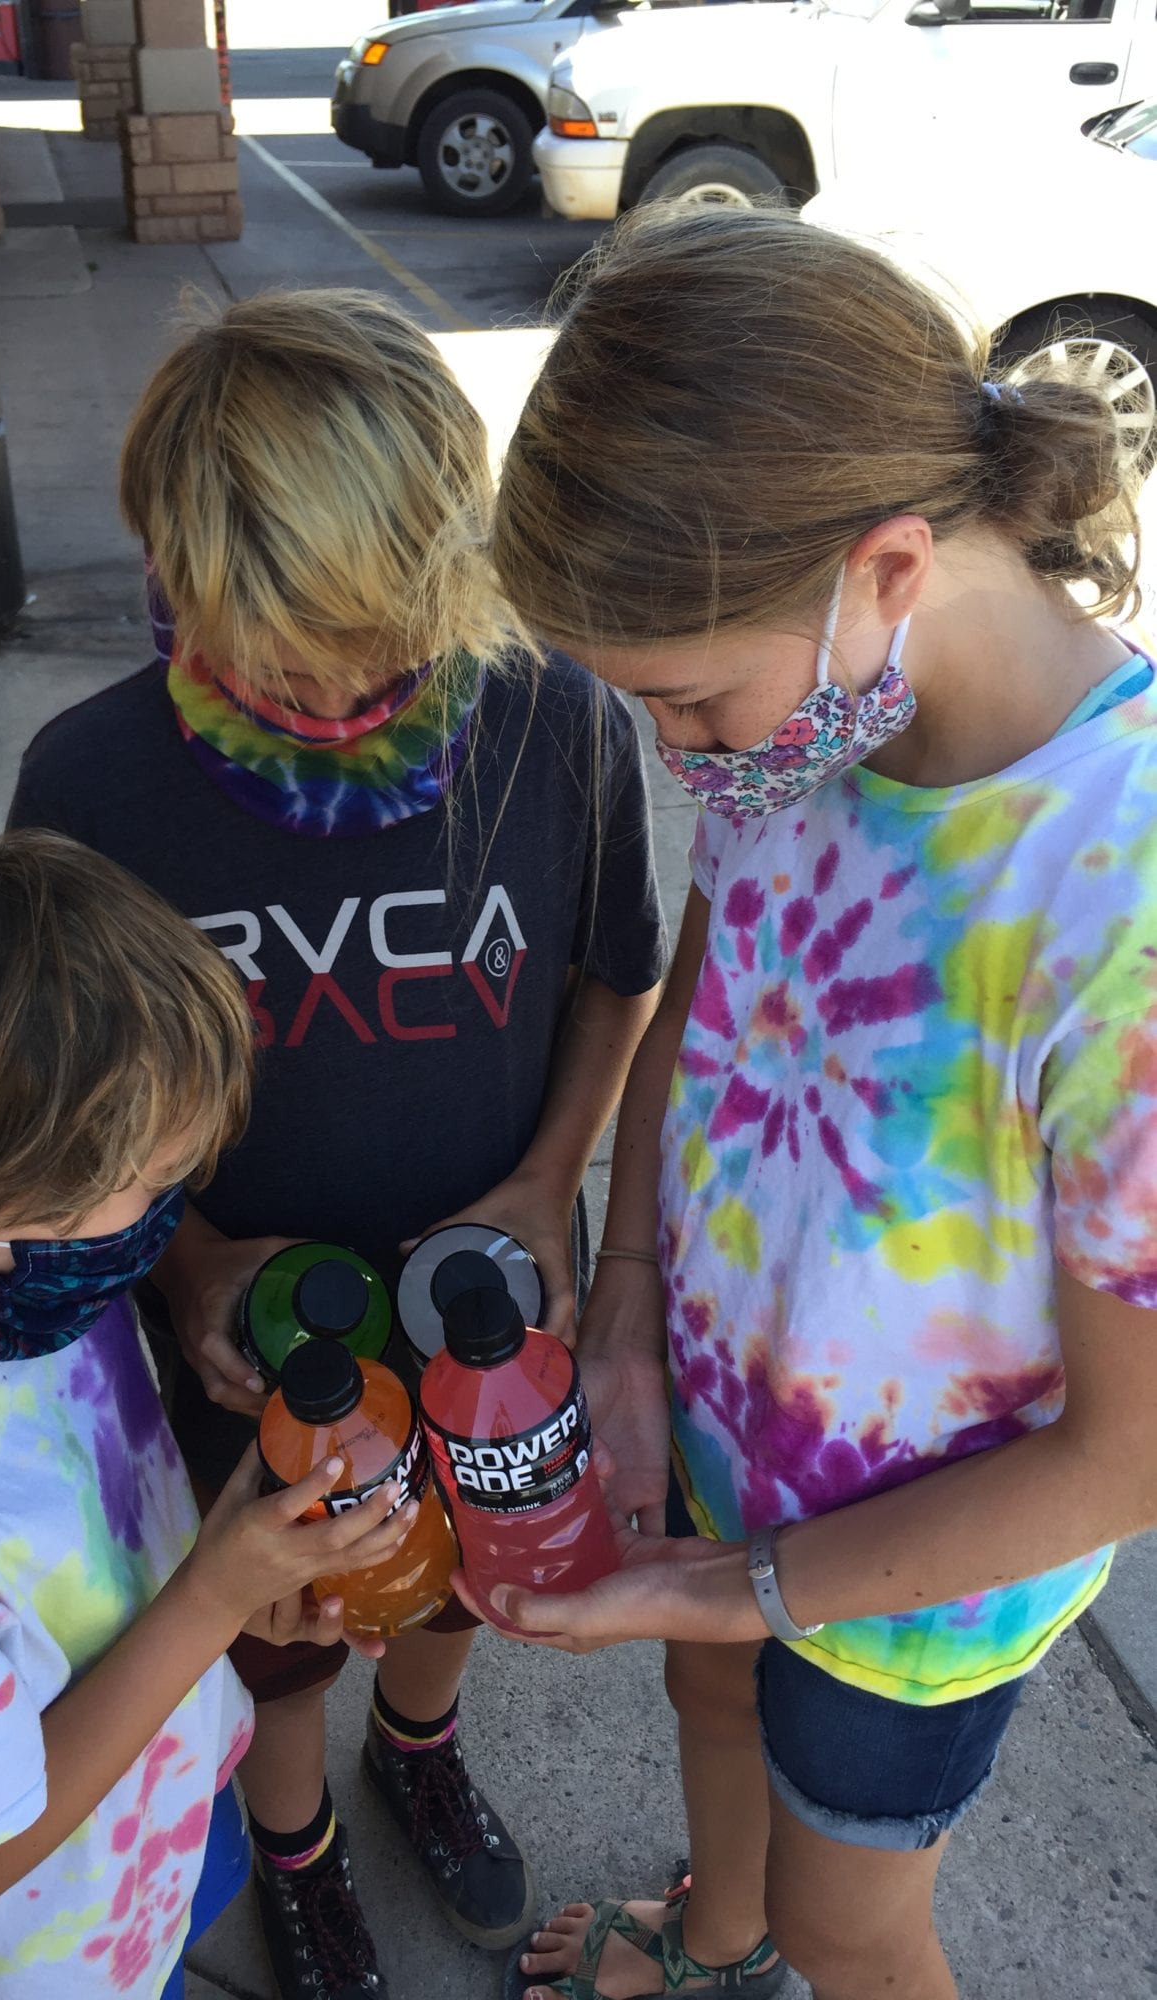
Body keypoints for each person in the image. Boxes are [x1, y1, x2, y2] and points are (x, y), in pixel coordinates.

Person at [477, 205, 1157, 2000]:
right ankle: (716, 1936)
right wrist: (626, 1303)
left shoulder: (1123, 902)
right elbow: (716, 966)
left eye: (686, 707)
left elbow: (1128, 1451)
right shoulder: (818, 722)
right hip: (725, 1430)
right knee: (713, 1706)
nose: (686, 764)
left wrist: (731, 1584)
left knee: (861, 1920)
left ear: (888, 563)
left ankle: (784, 1936)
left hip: (924, 1583)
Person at [8, 288, 665, 1999]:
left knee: (468, 1569)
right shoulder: (93, 784)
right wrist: (193, 1248)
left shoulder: (556, 719)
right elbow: (70, 1105)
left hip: (481, 1290)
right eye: (290, 642)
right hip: (241, 1318)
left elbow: (612, 973)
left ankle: (423, 1750)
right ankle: (292, 1840)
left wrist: (548, 1180)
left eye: (385, 634)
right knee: (282, 1614)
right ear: (183, 571)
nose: (349, 686)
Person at [0, 828, 417, 2000]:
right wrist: (212, 1598)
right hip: (43, 1954)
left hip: (153, 1824)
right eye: (152, 1181)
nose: (179, 1198)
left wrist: (239, 1584)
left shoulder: (11, 1292)